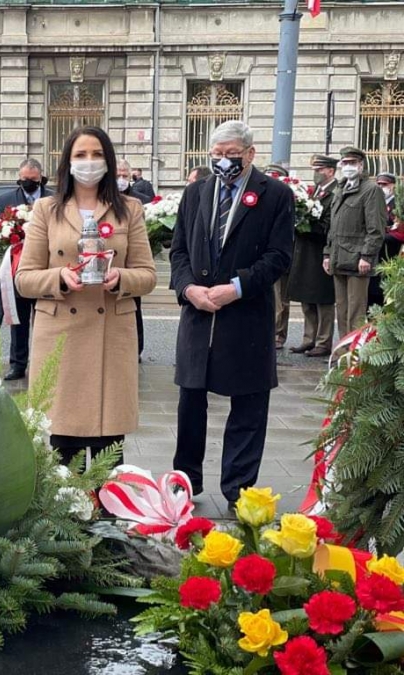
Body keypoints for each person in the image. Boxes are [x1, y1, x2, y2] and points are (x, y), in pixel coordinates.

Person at [15, 126, 157, 468]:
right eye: (80, 154)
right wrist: (59, 278)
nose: (89, 161)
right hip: (60, 338)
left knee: (110, 451)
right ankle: (68, 502)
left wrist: (120, 278)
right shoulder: (46, 209)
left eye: (96, 154)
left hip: (111, 339)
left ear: (108, 161)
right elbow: (24, 279)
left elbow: (148, 275)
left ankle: (108, 503)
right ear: (68, 162)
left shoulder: (130, 209)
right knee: (64, 450)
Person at [170, 120, 293, 510]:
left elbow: (279, 257)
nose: (223, 161)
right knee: (191, 401)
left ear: (250, 154)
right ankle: (185, 480)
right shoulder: (196, 192)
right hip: (198, 313)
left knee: (248, 403)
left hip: (246, 315)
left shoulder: (275, 195)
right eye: (217, 154)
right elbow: (178, 251)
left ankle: (239, 487)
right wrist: (188, 288)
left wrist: (237, 287)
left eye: (232, 154)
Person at [0, 158, 53, 381]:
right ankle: (17, 365)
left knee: (46, 319)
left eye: (32, 179)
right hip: (16, 270)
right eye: (24, 179)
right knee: (18, 319)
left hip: (45, 270)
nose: (27, 183)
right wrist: (8, 234)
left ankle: (44, 363)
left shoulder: (53, 199)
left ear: (41, 178)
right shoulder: (6, 199)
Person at [323, 147, 386, 338]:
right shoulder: (340, 189)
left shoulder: (371, 190)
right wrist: (327, 253)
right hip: (338, 257)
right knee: (342, 309)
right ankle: (344, 349)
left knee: (356, 310)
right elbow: (333, 227)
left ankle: (355, 351)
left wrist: (367, 256)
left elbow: (376, 229)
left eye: (352, 163)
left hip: (358, 259)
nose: (348, 167)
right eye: (345, 163)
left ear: (361, 165)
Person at [288, 155, 337, 358]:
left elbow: (329, 225)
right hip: (306, 252)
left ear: (330, 171)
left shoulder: (335, 193)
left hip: (321, 251)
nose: (315, 173)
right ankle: (309, 339)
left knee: (323, 299)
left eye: (319, 169)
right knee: (307, 298)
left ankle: (323, 342)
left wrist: (304, 224)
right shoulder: (314, 191)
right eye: (315, 169)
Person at [116, 158, 150, 360]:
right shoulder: (103, 198)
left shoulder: (141, 200)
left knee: (135, 306)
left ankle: (136, 349)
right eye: (117, 175)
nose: (121, 179)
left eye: (124, 175)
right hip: (113, 260)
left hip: (133, 263)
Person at [263, 164, 292, 349]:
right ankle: (266, 332)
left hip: (279, 256)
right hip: (260, 256)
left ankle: (278, 333)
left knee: (280, 298)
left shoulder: (286, 196)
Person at [368, 172, 401, 307]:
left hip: (390, 256)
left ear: (393, 186)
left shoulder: (398, 205)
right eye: (379, 184)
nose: (381, 187)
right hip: (373, 256)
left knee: (384, 294)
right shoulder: (373, 202)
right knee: (371, 294)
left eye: (385, 184)